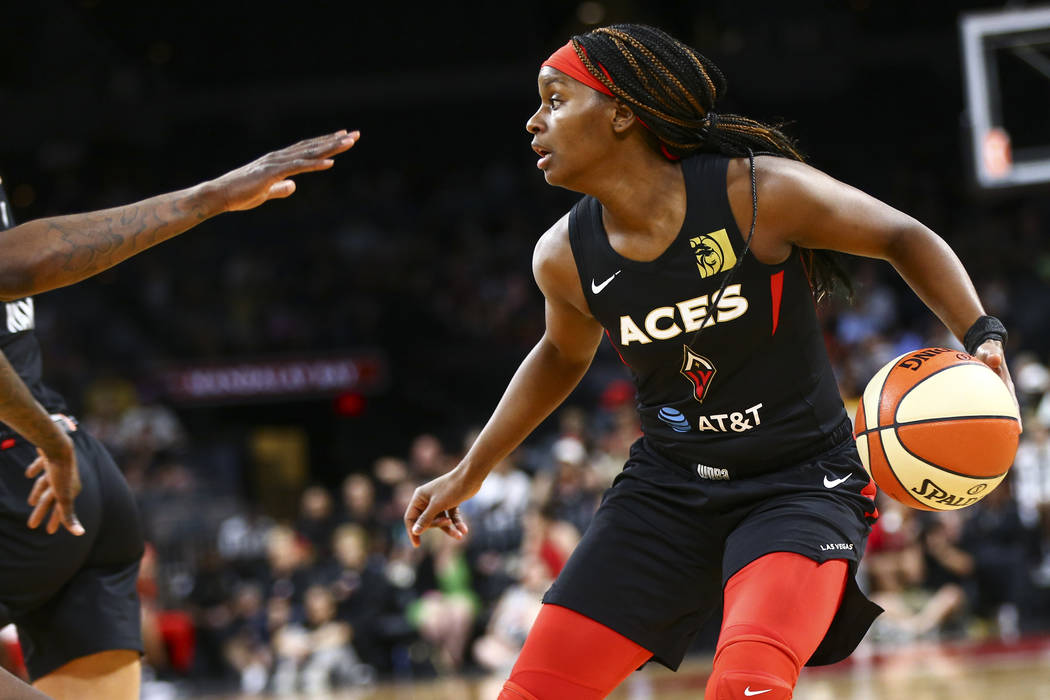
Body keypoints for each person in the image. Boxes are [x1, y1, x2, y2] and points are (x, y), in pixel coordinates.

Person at [403, 23, 1016, 700]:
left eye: (554, 100)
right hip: (670, 489)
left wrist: (980, 331)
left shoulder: (755, 195)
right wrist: (470, 471)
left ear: (621, 113)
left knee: (744, 687)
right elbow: (557, 354)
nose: (532, 122)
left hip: (801, 485)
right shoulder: (563, 256)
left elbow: (902, 235)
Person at [0, 128, 359, 700]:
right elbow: (19, 258)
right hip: (73, 476)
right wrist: (207, 197)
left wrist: (43, 436)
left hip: (29, 468)